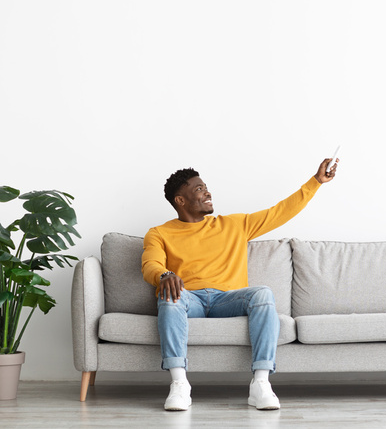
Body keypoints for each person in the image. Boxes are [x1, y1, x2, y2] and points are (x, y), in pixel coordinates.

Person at [141, 158, 338, 411]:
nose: (207, 191)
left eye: (206, 187)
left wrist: (316, 182)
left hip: (229, 299)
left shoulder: (234, 224)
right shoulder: (159, 233)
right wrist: (164, 274)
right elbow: (150, 265)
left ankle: (261, 384)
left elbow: (280, 212)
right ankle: (179, 385)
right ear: (180, 200)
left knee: (263, 293)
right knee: (169, 295)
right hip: (190, 298)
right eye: (199, 189)